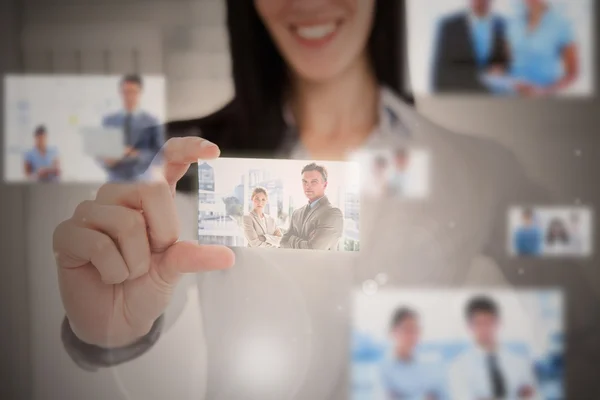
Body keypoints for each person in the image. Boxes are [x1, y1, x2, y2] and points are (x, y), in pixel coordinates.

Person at [52, 1, 575, 399]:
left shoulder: (482, 170)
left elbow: (582, 329)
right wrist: (107, 335)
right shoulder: (185, 166)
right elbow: (142, 304)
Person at [449, 296, 539, 400]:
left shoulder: (520, 363)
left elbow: (534, 396)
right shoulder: (459, 368)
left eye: (488, 322)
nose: (484, 329)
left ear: (498, 322)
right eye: (478, 323)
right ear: (469, 326)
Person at [505, 0, 579, 97]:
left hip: (542, 100)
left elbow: (572, 73)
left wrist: (544, 91)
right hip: (510, 97)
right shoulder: (513, 22)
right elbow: (507, 60)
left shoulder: (561, 25)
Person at [432, 0, 508, 93]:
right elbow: (440, 74)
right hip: (460, 98)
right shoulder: (450, 27)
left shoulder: (503, 26)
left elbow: (507, 66)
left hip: (493, 100)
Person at [100, 74, 164, 181]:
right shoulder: (109, 121)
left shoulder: (152, 121)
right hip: (115, 182)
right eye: (126, 92)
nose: (129, 97)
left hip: (142, 182)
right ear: (120, 93)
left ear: (140, 93)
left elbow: (160, 155)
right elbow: (101, 154)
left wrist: (137, 154)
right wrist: (109, 158)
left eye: (133, 92)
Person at [380, 307, 448, 400]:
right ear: (393, 331)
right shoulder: (383, 369)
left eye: (415, 330)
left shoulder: (431, 365)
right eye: (407, 329)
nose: (412, 335)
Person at [280, 163, 344, 250]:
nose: (307, 186)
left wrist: (291, 239)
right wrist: (305, 242)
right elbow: (283, 242)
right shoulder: (296, 213)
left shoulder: (332, 213)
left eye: (314, 182)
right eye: (304, 182)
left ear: (324, 185)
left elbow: (314, 249)